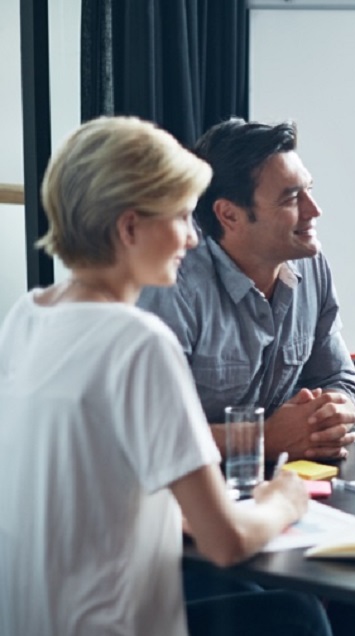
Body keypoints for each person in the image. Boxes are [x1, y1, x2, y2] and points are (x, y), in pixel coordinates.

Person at [0, 116, 329, 635]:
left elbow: (95, 482)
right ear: (130, 228)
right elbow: (226, 543)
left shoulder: (26, 316)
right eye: (180, 217)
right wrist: (282, 501)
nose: (194, 239)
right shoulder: (138, 342)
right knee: (299, 616)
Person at [138, 118, 355, 461]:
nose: (314, 210)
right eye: (291, 198)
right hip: (186, 496)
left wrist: (331, 413)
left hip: (286, 486)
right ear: (229, 215)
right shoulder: (171, 285)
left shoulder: (309, 261)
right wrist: (264, 438)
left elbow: (341, 379)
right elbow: (148, 434)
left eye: (309, 190)